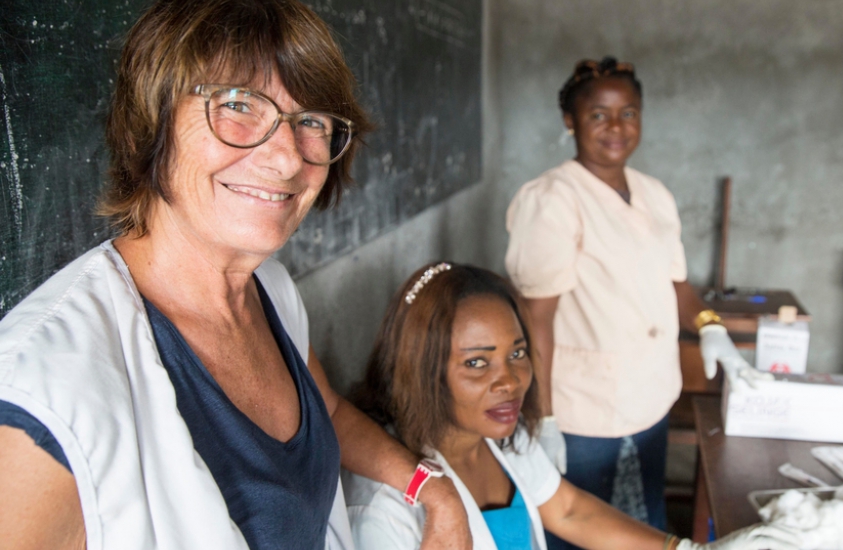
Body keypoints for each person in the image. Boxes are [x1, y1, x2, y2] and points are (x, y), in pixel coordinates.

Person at [0, 1, 471, 549]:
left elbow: (330, 410)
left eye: (311, 121)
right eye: (239, 103)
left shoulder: (269, 291)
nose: (288, 158)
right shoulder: (43, 401)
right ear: (152, 118)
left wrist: (432, 489)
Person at [504, 57, 770, 548]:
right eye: (598, 114)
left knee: (642, 522)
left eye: (628, 112)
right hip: (580, 410)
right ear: (570, 120)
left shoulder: (655, 194)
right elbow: (534, 317)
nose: (615, 127)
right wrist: (540, 417)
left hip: (650, 397)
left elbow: (680, 287)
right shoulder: (553, 198)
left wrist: (712, 327)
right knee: (577, 528)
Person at [343, 262, 797, 550]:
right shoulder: (383, 507)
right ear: (420, 369)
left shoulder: (501, 433)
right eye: (477, 363)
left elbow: (567, 510)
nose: (510, 380)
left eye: (517, 352)